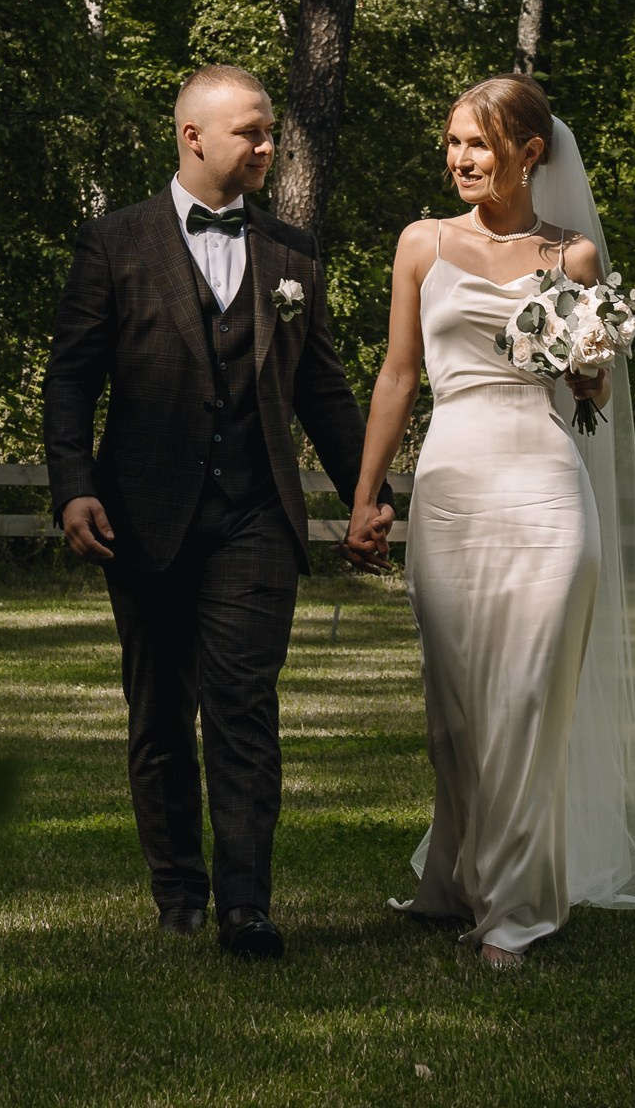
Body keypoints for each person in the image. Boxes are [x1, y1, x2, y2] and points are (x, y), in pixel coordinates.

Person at [43, 66, 390, 960]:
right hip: (141, 517)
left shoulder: (293, 253)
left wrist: (367, 496)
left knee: (243, 706)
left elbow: (322, 389)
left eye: (269, 130)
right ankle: (178, 894)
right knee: (160, 715)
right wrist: (73, 485)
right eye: (252, 132)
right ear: (192, 136)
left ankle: (246, 907)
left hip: (256, 517)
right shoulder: (114, 242)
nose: (268, 146)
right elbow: (70, 379)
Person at [347, 74, 635, 966]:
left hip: (545, 489)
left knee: (527, 699)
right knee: (454, 713)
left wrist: (589, 371)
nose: (460, 159)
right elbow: (398, 375)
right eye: (452, 142)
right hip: (451, 485)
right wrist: (366, 495)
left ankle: (517, 913)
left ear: (529, 153)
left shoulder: (573, 257)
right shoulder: (420, 243)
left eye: (479, 145)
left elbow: (593, 393)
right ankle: (459, 877)